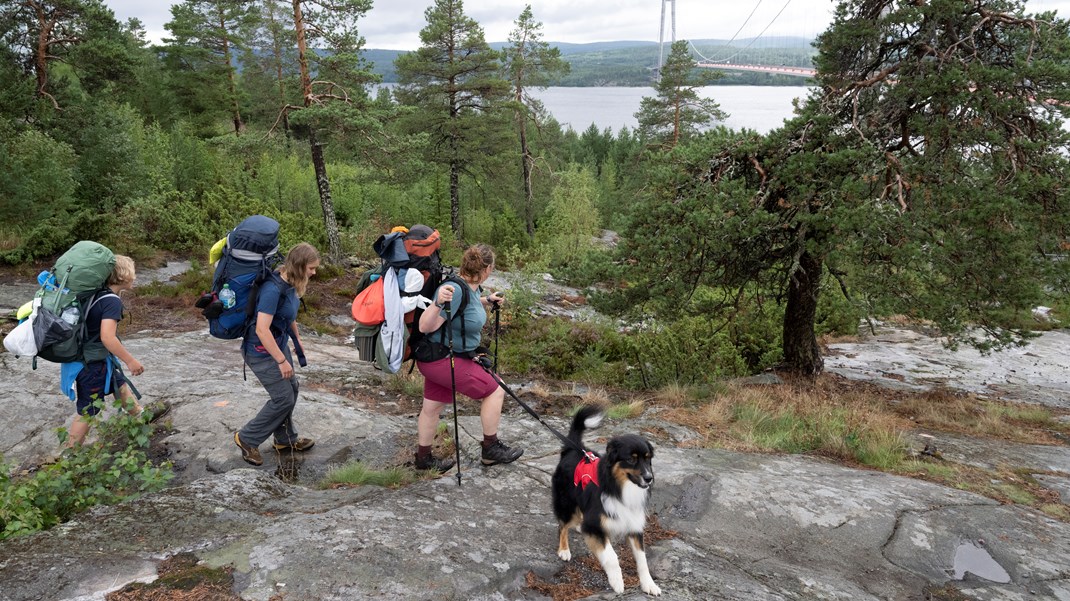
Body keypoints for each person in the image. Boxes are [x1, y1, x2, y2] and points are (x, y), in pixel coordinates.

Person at [413, 243, 522, 472]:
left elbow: (466, 306)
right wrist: (438, 302)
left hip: (436, 357)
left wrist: (487, 301)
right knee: (496, 388)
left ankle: (423, 459)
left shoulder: (471, 288)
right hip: (442, 359)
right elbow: (425, 326)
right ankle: (490, 449)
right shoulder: (455, 289)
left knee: (432, 407)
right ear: (488, 268)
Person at [65, 255, 170, 447]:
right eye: (133, 272)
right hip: (92, 364)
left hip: (89, 360)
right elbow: (107, 337)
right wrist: (130, 360)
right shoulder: (111, 301)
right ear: (122, 276)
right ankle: (69, 455)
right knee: (88, 410)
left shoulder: (94, 294)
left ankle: (140, 415)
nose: (135, 277)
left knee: (118, 383)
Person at [233, 242, 320, 466]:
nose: (314, 272)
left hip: (277, 344)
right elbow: (262, 329)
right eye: (311, 268)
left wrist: (297, 339)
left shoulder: (291, 283)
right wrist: (281, 360)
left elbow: (288, 315)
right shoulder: (273, 289)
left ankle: (285, 440)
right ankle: (247, 438)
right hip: (260, 351)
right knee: (283, 398)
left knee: (292, 387)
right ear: (299, 266)